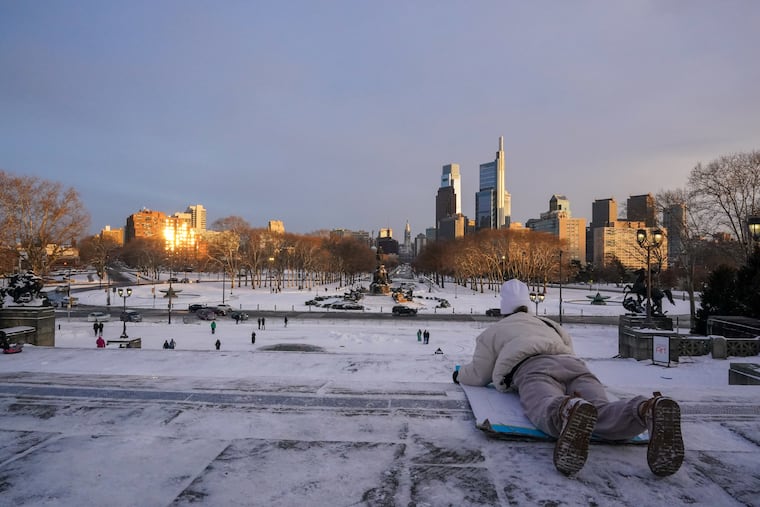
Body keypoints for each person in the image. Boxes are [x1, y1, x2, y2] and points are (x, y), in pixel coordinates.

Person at [453, 279, 684, 477]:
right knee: (601, 409)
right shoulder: (550, 324)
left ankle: (568, 411)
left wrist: (458, 374)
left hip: (533, 369)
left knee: (544, 406)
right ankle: (645, 410)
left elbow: (478, 374)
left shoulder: (493, 332)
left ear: (503, 307)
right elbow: (569, 348)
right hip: (574, 366)